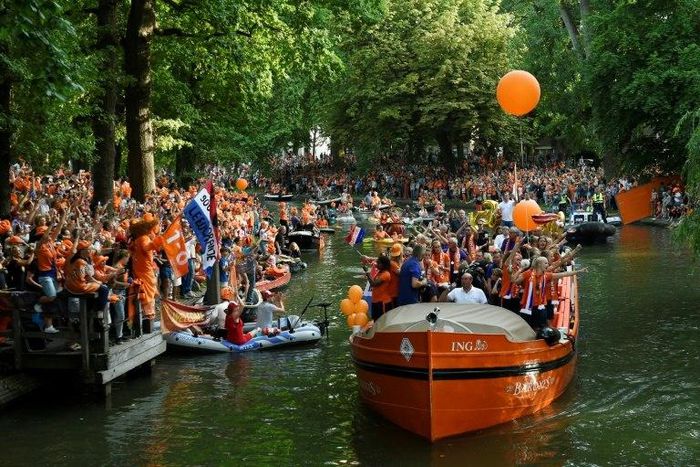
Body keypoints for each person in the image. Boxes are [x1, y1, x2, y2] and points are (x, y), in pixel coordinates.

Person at [364, 255, 393, 320]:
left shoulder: (386, 274)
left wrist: (368, 274)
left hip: (383, 302)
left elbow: (373, 284)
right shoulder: (379, 272)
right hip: (375, 301)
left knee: (381, 321)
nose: (377, 264)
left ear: (384, 265)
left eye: (379, 263)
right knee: (375, 320)